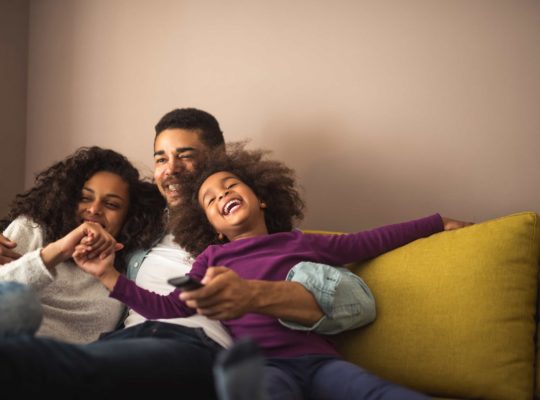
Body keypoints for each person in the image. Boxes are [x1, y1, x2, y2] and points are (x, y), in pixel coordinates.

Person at [0, 108, 372, 398]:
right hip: (123, 343)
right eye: (160, 158)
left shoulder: (251, 232)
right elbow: (78, 234)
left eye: (185, 155)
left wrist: (254, 294)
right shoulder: (137, 226)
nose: (170, 169)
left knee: (72, 369)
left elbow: (356, 302)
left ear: (217, 158)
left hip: (192, 345)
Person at [75, 142, 473, 400]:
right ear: (211, 224)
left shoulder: (301, 242)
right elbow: (167, 306)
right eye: (211, 199)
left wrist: (436, 222)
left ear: (261, 198)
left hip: (320, 362)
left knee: (377, 393)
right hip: (263, 368)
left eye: (230, 186)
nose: (223, 195)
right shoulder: (212, 259)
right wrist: (106, 274)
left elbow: (371, 240)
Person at [0, 146, 165, 343]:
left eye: (111, 204)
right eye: (85, 198)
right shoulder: (32, 229)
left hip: (65, 366)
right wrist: (59, 250)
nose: (94, 209)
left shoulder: (120, 270)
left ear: (128, 216)